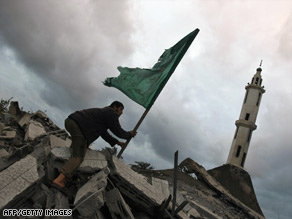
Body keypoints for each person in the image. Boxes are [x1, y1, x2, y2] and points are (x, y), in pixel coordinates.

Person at [52, 101, 136, 189]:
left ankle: (61, 173)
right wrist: (129, 134)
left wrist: (118, 142)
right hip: (79, 127)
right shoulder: (111, 112)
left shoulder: (104, 113)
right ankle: (59, 180)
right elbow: (117, 130)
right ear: (115, 107)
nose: (121, 113)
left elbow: (104, 134)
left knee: (76, 149)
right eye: (121, 109)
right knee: (78, 157)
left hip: (71, 121)